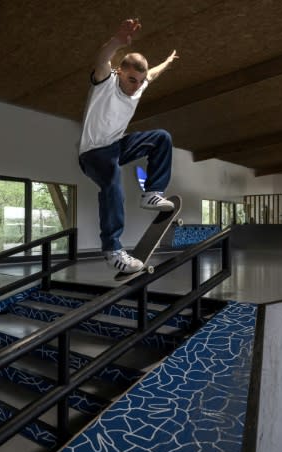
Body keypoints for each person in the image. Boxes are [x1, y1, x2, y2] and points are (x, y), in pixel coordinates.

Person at [78, 18, 178, 274]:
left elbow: (152, 74)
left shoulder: (140, 83)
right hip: (93, 154)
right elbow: (101, 60)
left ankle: (151, 193)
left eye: (139, 81)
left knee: (162, 138)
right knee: (113, 182)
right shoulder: (106, 82)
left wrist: (167, 63)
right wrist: (117, 41)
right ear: (120, 72)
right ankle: (112, 250)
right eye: (132, 80)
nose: (136, 87)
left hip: (117, 146)